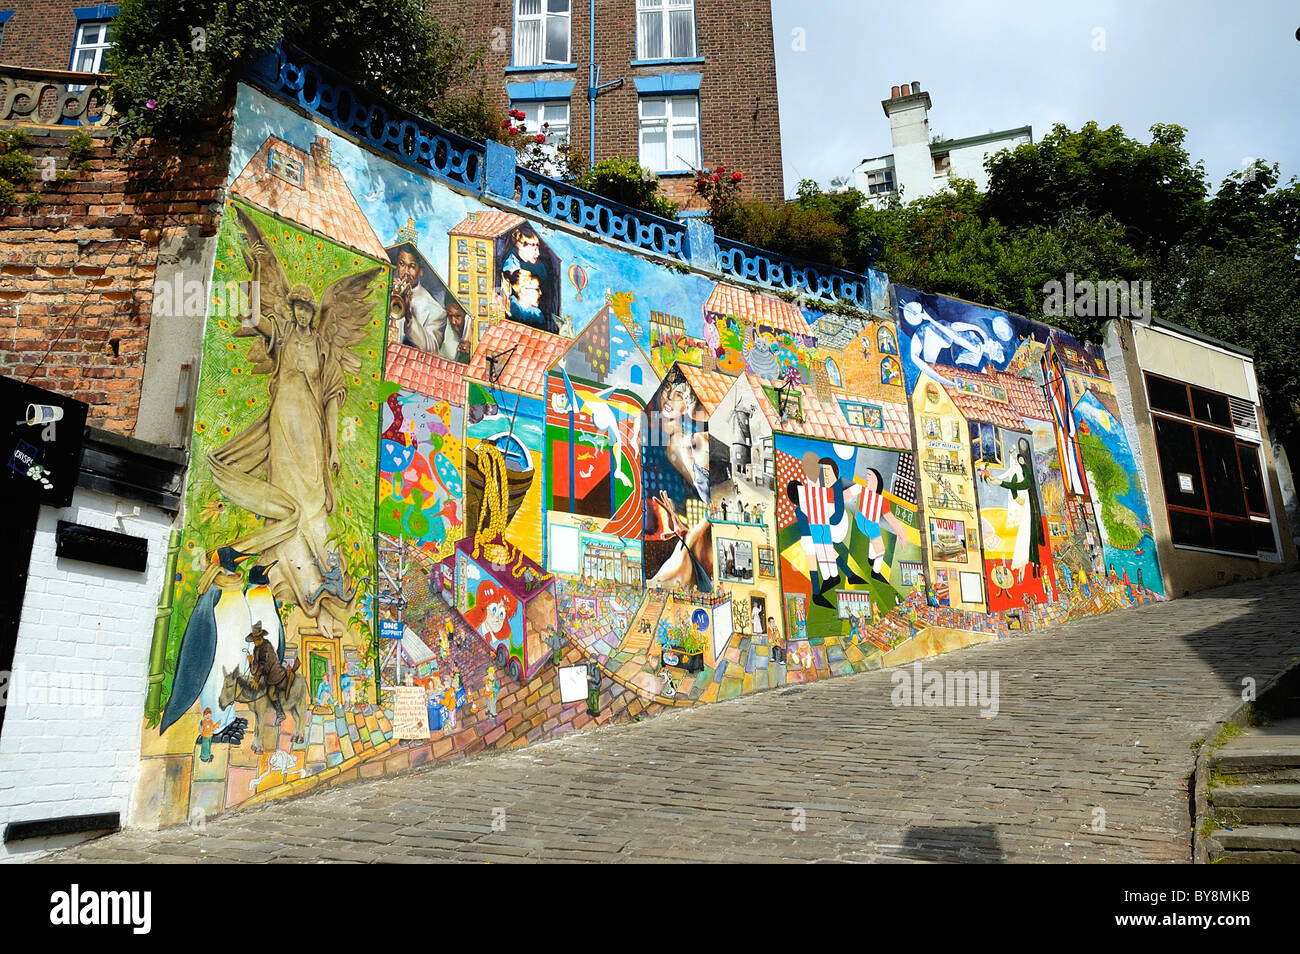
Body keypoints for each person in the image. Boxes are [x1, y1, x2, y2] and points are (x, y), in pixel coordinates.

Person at [393, 245, 464, 359]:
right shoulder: (389, 288)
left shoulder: (436, 310)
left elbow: (432, 349)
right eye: (402, 264)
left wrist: (408, 316)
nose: (405, 272)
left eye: (411, 266)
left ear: (421, 271)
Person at [245, 620, 293, 724]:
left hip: (274, 674)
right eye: (254, 639)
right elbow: (255, 669)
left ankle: (281, 714)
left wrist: (256, 679)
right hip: (265, 675)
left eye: (256, 639)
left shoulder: (266, 646)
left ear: (261, 637)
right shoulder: (256, 649)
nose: (255, 641)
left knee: (271, 693)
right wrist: (251, 662)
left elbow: (262, 665)